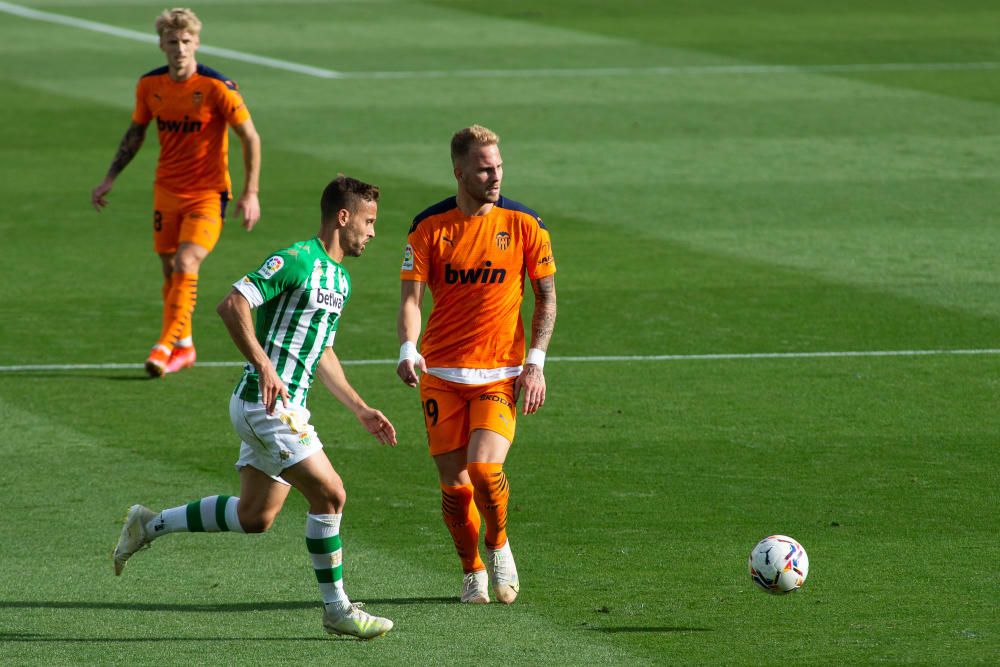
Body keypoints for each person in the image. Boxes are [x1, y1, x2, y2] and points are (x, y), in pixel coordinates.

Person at [113, 176, 396, 639]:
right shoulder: (297, 259)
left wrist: (360, 407)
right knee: (331, 495)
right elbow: (232, 305)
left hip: (283, 407)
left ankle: (150, 524)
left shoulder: (339, 280)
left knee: (255, 516)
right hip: (265, 404)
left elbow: (320, 350)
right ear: (343, 218)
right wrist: (263, 363)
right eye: (368, 221)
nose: (372, 232)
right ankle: (337, 609)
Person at [396, 125, 557, 605]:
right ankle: (471, 571)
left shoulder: (525, 223)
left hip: (501, 371)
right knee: (455, 487)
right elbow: (411, 297)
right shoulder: (429, 226)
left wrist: (536, 363)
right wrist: (409, 347)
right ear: (459, 171)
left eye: (500, 166)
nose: (495, 176)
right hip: (441, 374)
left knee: (485, 471)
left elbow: (546, 297)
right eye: (485, 168)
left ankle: (498, 545)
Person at [91, 7, 262, 377]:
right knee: (170, 270)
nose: (180, 48)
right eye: (173, 42)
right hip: (166, 191)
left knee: (187, 263)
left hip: (208, 194)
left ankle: (164, 344)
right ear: (161, 45)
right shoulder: (150, 86)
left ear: (197, 42)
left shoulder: (218, 87)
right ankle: (185, 346)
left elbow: (250, 136)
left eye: (186, 41)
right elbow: (135, 133)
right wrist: (110, 178)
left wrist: (251, 192)